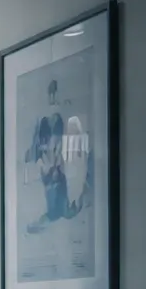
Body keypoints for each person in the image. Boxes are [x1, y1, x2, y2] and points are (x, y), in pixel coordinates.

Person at [25, 77, 93, 233]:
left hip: (50, 171)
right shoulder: (60, 210)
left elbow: (46, 218)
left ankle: (52, 98)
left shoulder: (56, 211)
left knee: (49, 139)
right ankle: (52, 98)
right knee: (53, 136)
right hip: (52, 169)